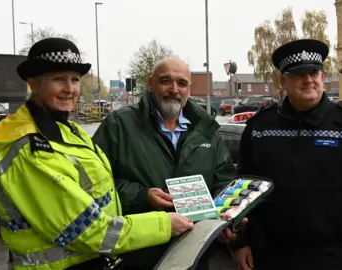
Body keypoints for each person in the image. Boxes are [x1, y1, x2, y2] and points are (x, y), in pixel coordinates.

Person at [0, 38, 194, 270]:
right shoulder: (30, 151)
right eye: (58, 79)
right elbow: (89, 232)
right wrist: (165, 224)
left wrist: (144, 195)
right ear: (34, 84)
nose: (70, 89)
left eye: (75, 80)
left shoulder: (67, 131)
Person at [231, 39, 342, 270]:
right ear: (283, 82)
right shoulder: (260, 128)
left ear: (322, 77)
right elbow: (245, 188)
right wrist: (241, 241)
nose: (308, 80)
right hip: (269, 255)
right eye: (299, 74)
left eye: (314, 72)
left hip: (330, 256)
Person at [92, 56, 240, 269]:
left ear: (189, 88)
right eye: (165, 81)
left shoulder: (206, 130)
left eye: (181, 83)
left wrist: (225, 220)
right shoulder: (119, 125)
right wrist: (142, 196)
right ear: (151, 84)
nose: (174, 89)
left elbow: (223, 182)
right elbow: (94, 188)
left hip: (196, 253)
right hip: (139, 254)